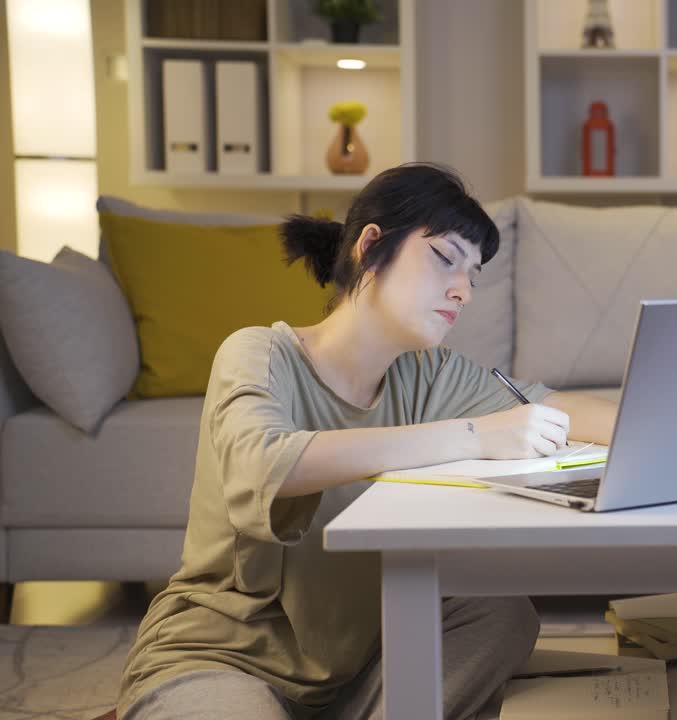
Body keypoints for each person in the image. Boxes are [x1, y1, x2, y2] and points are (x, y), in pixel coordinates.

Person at [116, 163, 618, 720]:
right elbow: (265, 467)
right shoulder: (258, 354)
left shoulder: (427, 373)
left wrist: (676, 426)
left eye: (473, 275)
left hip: (358, 669)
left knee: (499, 613)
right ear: (371, 246)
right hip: (222, 656)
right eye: (446, 258)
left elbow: (555, 409)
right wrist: (475, 433)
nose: (463, 291)